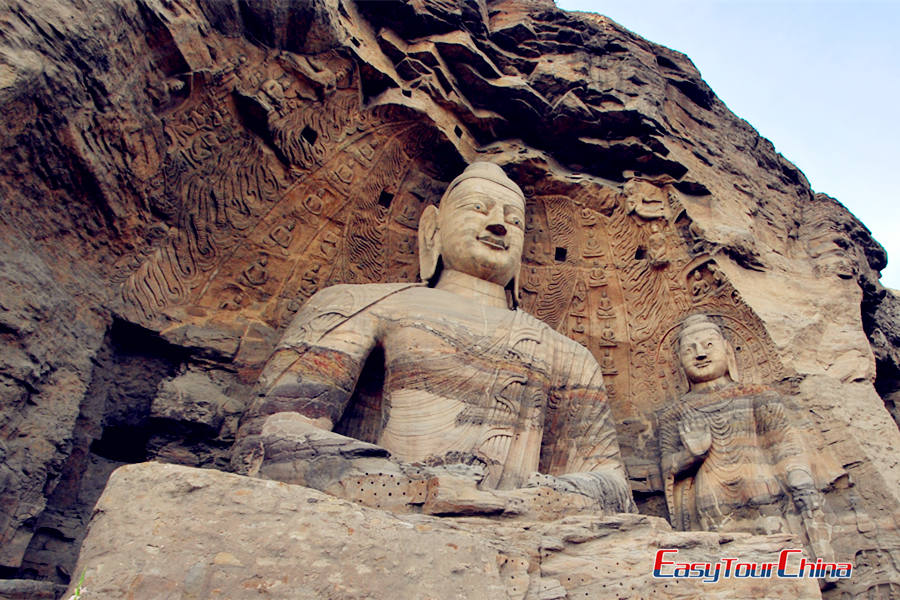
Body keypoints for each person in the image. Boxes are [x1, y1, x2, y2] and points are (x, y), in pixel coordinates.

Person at [232, 162, 634, 512]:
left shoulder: (569, 354)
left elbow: (611, 487)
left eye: (514, 220)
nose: (498, 224)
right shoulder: (363, 305)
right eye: (478, 208)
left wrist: (533, 498)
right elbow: (269, 438)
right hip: (386, 508)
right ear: (432, 229)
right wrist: (416, 485)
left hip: (520, 518)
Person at [658, 315, 826, 539]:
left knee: (783, 555)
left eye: (709, 345)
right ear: (678, 362)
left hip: (764, 491)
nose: (700, 354)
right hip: (712, 502)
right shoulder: (675, 413)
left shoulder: (759, 395)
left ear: (728, 350)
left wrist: (801, 480)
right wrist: (691, 455)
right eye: (690, 350)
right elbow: (668, 465)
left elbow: (785, 445)